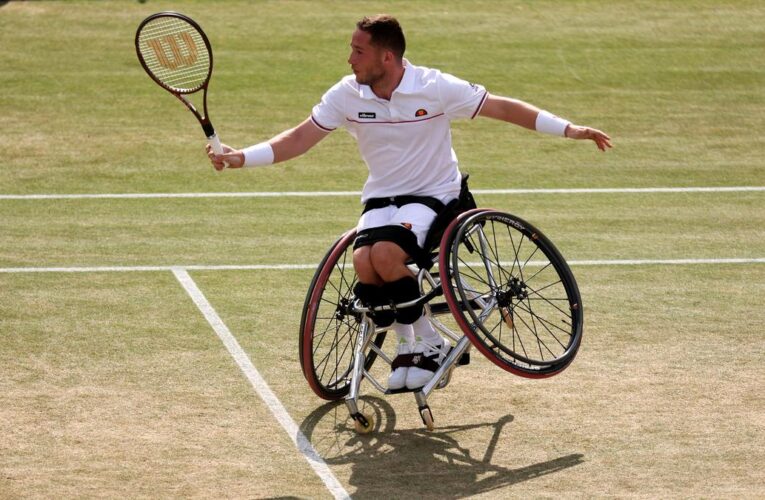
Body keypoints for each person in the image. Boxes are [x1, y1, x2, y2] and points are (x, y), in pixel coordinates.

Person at [207, 14, 611, 391]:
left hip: (435, 195)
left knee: (384, 255)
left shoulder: (434, 87)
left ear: (387, 56)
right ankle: (408, 345)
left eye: (358, 51)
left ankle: (431, 343)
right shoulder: (346, 95)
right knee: (364, 262)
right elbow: (298, 138)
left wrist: (570, 129)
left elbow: (503, 107)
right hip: (382, 196)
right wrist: (241, 156)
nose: (349, 59)